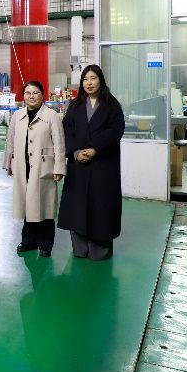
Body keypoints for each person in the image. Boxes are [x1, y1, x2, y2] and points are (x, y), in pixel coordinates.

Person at [58, 64, 125, 260]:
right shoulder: (75, 105)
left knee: (101, 206)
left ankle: (100, 248)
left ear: (100, 80)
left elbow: (115, 130)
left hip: (103, 165)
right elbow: (66, 130)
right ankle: (80, 247)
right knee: (77, 205)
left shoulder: (112, 105)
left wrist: (95, 148)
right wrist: (76, 152)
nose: (89, 83)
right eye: (85, 79)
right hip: (78, 164)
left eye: (93, 78)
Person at [3, 80, 66, 257]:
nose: (31, 96)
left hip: (43, 166)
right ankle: (28, 240)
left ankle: (45, 243)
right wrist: (8, 163)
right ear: (23, 96)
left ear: (42, 95)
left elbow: (59, 143)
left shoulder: (51, 116)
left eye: (35, 93)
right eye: (28, 93)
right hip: (22, 166)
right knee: (27, 205)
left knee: (45, 206)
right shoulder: (17, 116)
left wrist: (59, 167)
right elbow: (10, 140)